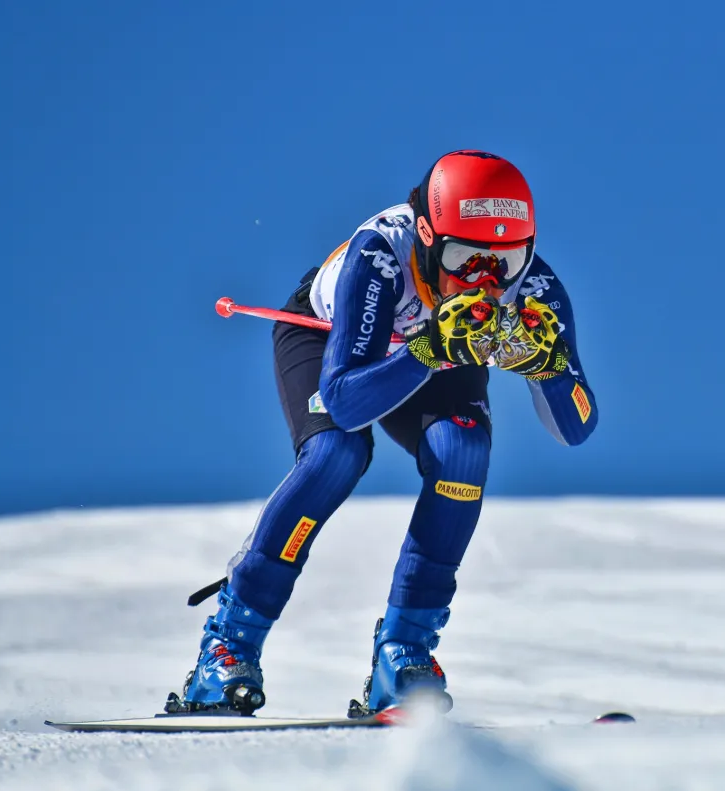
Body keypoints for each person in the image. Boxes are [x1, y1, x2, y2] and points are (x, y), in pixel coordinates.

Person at [167, 150, 599, 717]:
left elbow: (577, 426)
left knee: (463, 450)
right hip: (338, 348)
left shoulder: (533, 285)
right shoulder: (381, 255)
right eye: (466, 258)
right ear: (425, 236)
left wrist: (549, 368)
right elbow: (345, 403)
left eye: (506, 261)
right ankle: (229, 644)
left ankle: (405, 651)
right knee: (335, 454)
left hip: (440, 352)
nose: (486, 282)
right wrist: (429, 348)